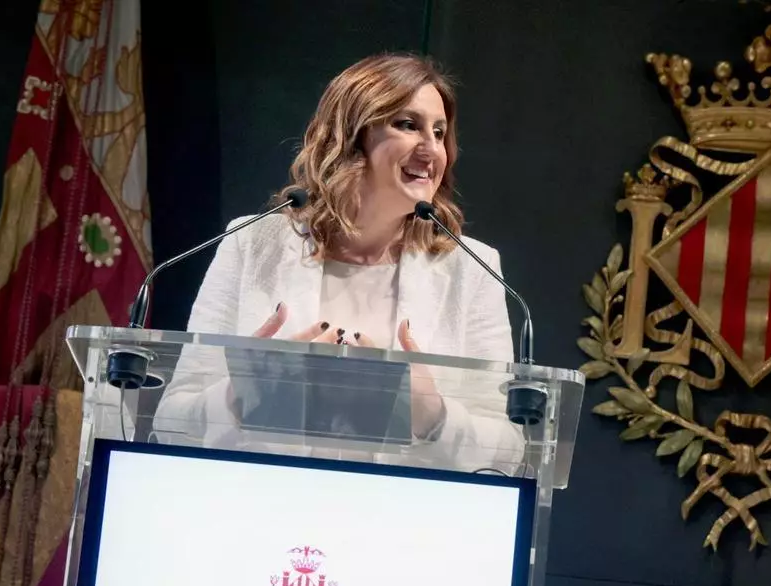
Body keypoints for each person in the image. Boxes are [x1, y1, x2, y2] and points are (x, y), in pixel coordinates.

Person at [152, 53, 524, 471]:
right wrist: (240, 395)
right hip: (263, 499)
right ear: (350, 135)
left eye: (439, 132)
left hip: (402, 507)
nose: (432, 149)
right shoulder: (253, 244)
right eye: (408, 125)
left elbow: (508, 453)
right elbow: (171, 424)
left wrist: (433, 415)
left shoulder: (471, 269)